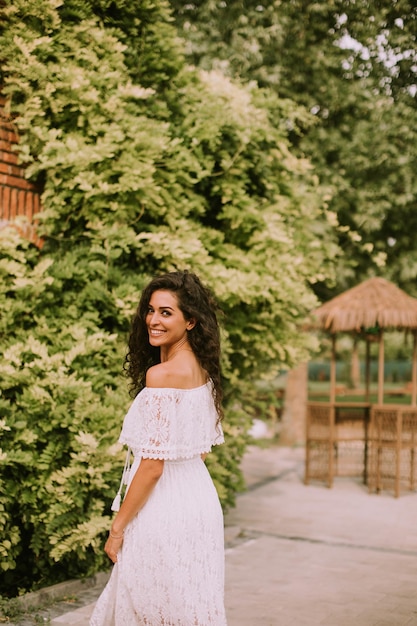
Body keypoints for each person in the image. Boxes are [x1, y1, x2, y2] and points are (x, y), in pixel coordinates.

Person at [90, 270, 227, 626]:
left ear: (191, 321)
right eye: (151, 310)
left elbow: (152, 466)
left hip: (164, 508)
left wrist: (118, 527)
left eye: (167, 313)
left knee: (147, 606)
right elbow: (200, 450)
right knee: (187, 606)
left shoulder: (162, 376)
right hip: (198, 501)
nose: (153, 320)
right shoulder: (201, 370)